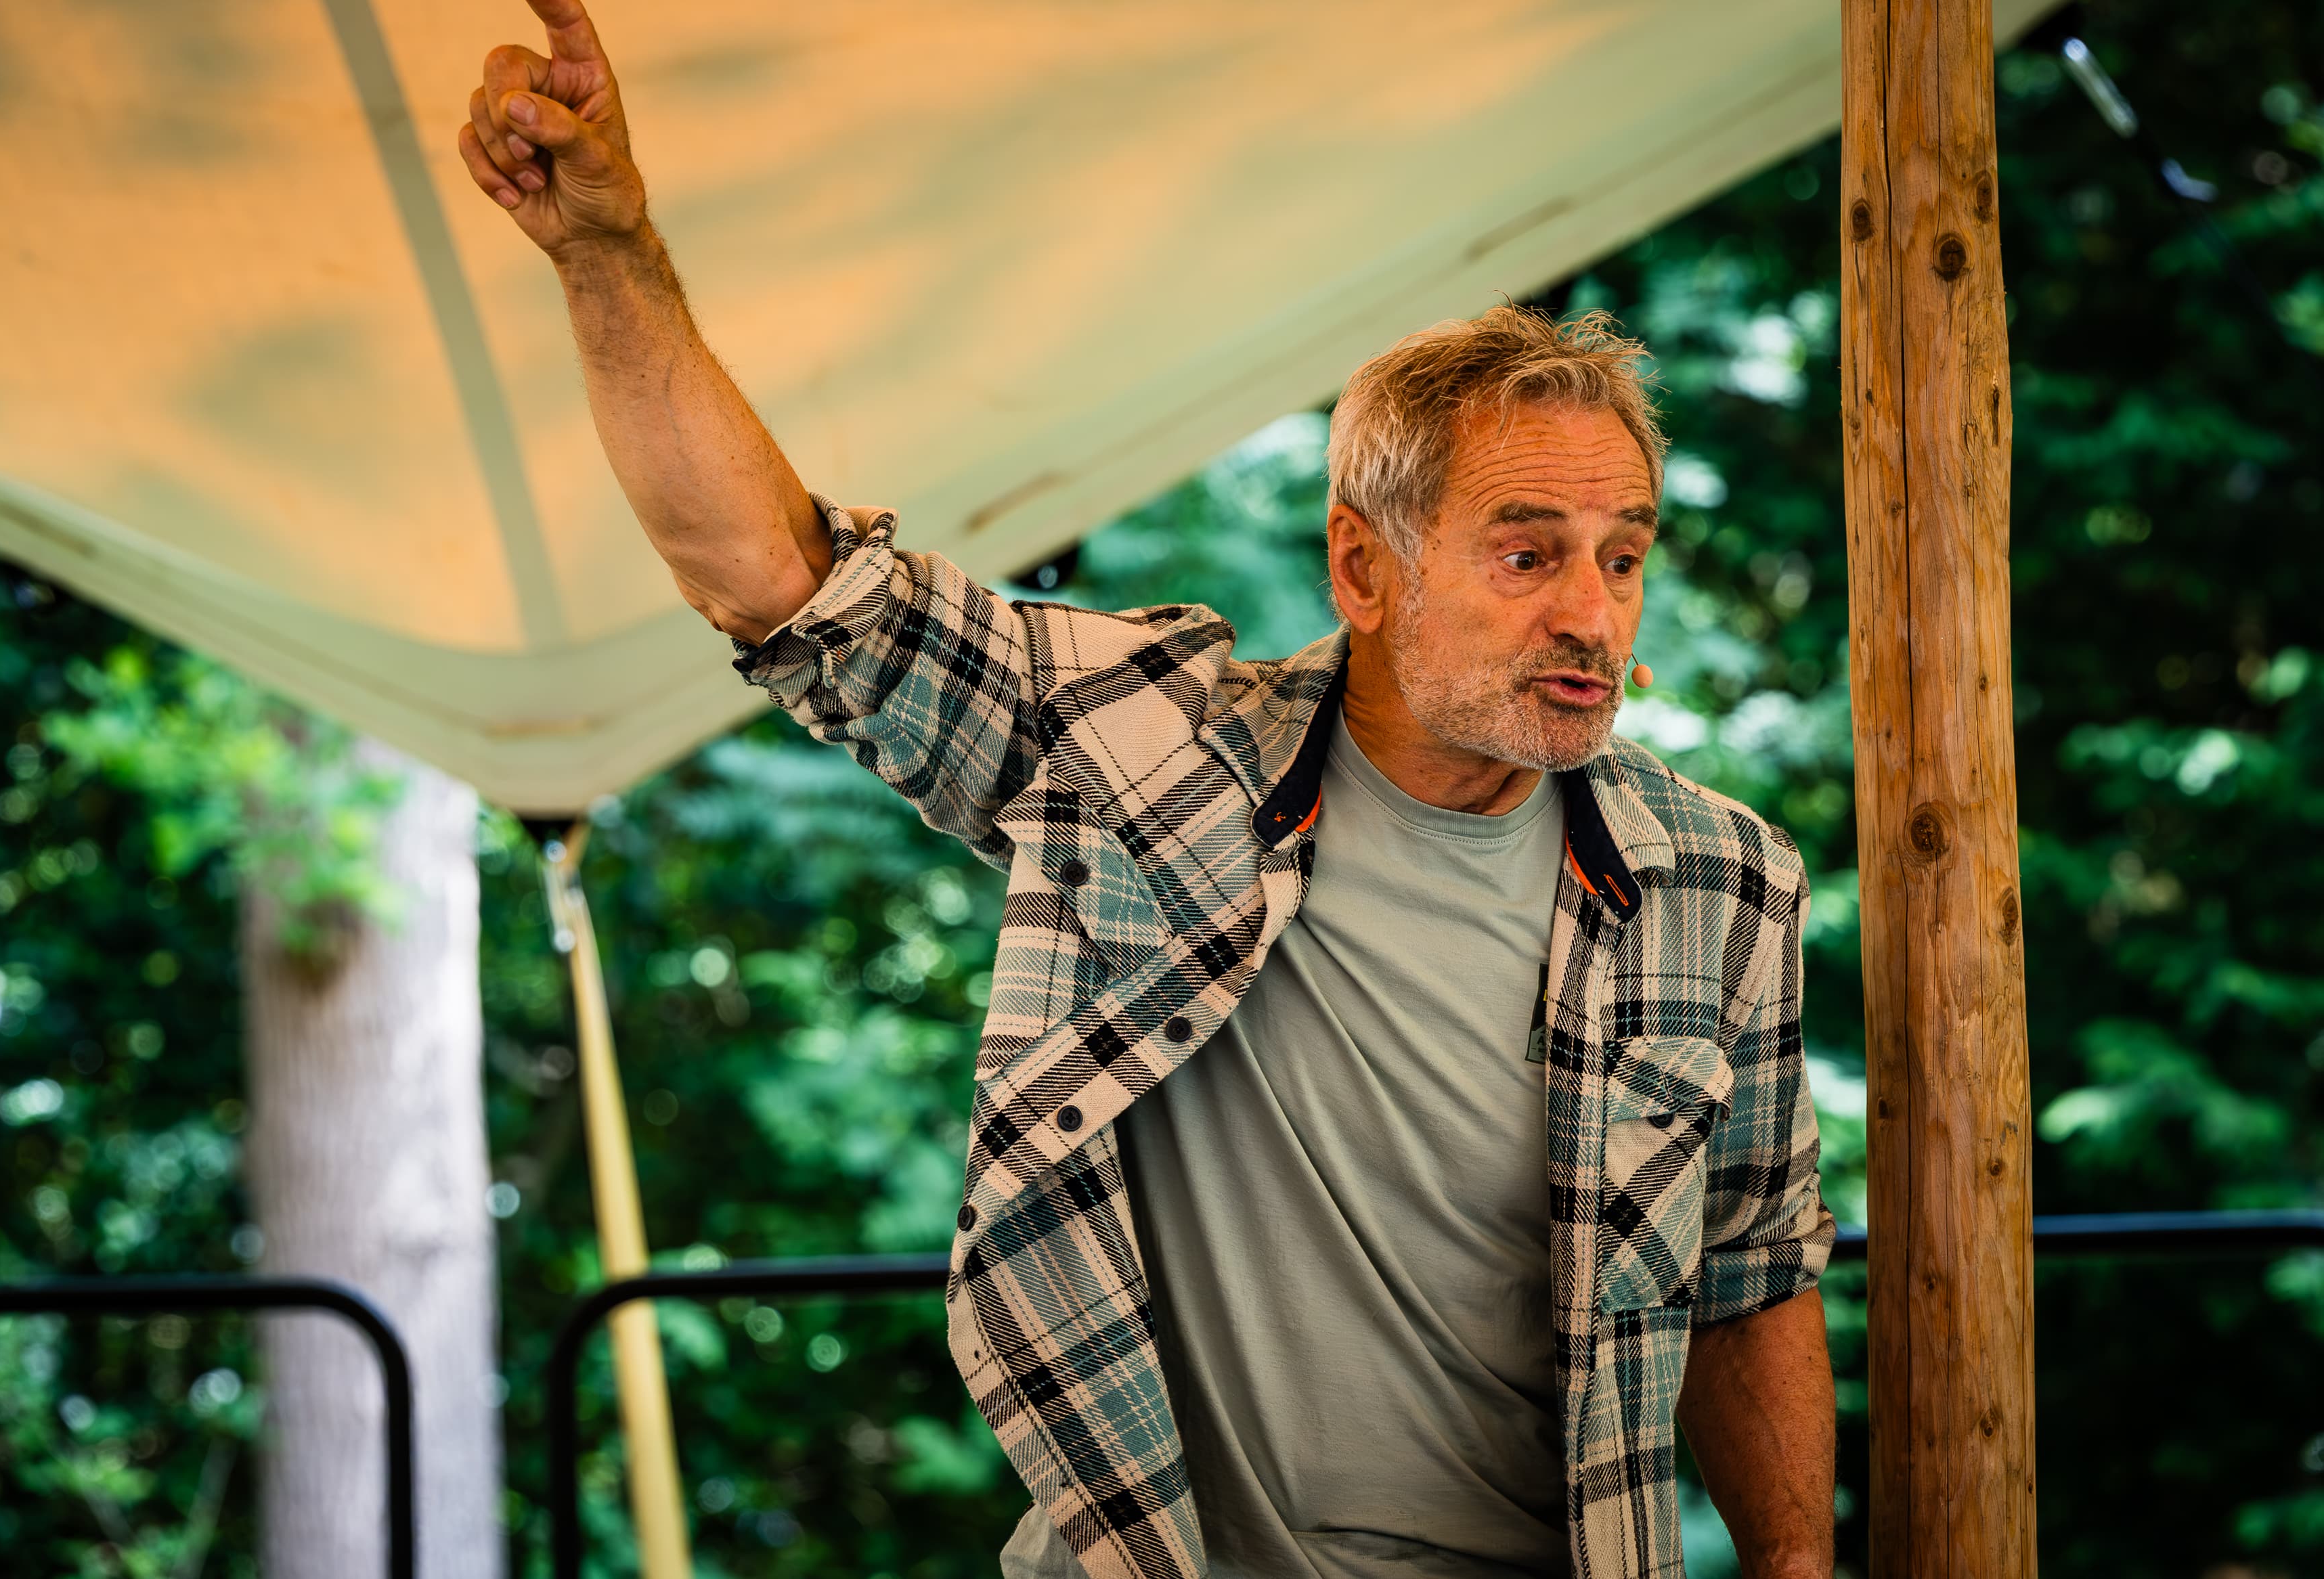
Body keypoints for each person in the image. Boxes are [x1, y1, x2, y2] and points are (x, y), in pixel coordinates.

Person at [458, 4, 1837, 1576]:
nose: (1592, 613)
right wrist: (607, 254)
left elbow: (1751, 1273)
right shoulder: (1145, 746)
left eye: (1622, 558)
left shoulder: (1721, 885)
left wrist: (1796, 1568)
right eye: (1527, 556)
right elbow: (775, 575)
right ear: (1361, 570)